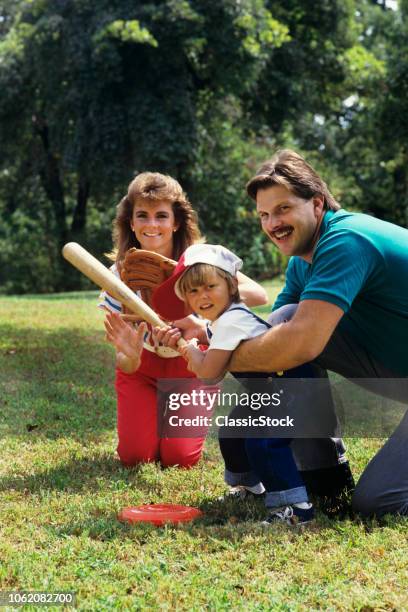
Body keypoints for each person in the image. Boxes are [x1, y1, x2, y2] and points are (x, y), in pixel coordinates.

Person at [225, 149, 408, 518]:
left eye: (282, 209)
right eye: (264, 214)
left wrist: (216, 357)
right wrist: (205, 332)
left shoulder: (347, 241)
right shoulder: (302, 262)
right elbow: (271, 335)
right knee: (282, 325)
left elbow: (300, 344)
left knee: (381, 503)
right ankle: (324, 473)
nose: (272, 223)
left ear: (318, 204)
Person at [101, 171, 268, 468]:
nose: (152, 225)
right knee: (137, 457)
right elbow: (126, 363)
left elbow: (257, 294)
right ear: (131, 222)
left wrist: (199, 316)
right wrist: (130, 357)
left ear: (176, 222)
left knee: (179, 459)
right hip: (142, 373)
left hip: (192, 369)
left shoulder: (199, 261)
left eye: (161, 216)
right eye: (142, 215)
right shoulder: (118, 277)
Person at [152, 243, 315, 525]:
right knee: (232, 432)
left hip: (293, 389)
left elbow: (209, 373)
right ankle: (250, 487)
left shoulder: (231, 321)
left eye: (210, 286)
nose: (202, 296)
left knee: (263, 442)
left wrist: (188, 349)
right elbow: (210, 339)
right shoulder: (223, 320)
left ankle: (296, 509)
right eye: (192, 290)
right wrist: (191, 336)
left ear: (230, 285)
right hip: (269, 390)